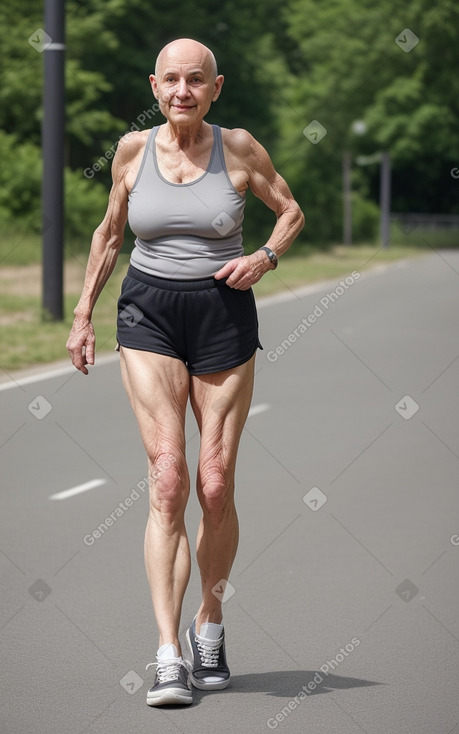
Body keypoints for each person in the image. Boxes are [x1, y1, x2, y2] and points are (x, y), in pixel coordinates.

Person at [66, 37, 304, 706]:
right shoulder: (132, 151)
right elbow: (111, 232)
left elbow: (290, 211)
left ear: (215, 88)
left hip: (222, 317)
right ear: (153, 86)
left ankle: (210, 623)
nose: (182, 91)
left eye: (195, 80)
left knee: (215, 483)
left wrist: (263, 257)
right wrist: (83, 314)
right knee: (169, 479)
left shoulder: (240, 148)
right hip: (148, 315)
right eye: (170, 80)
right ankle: (167, 651)